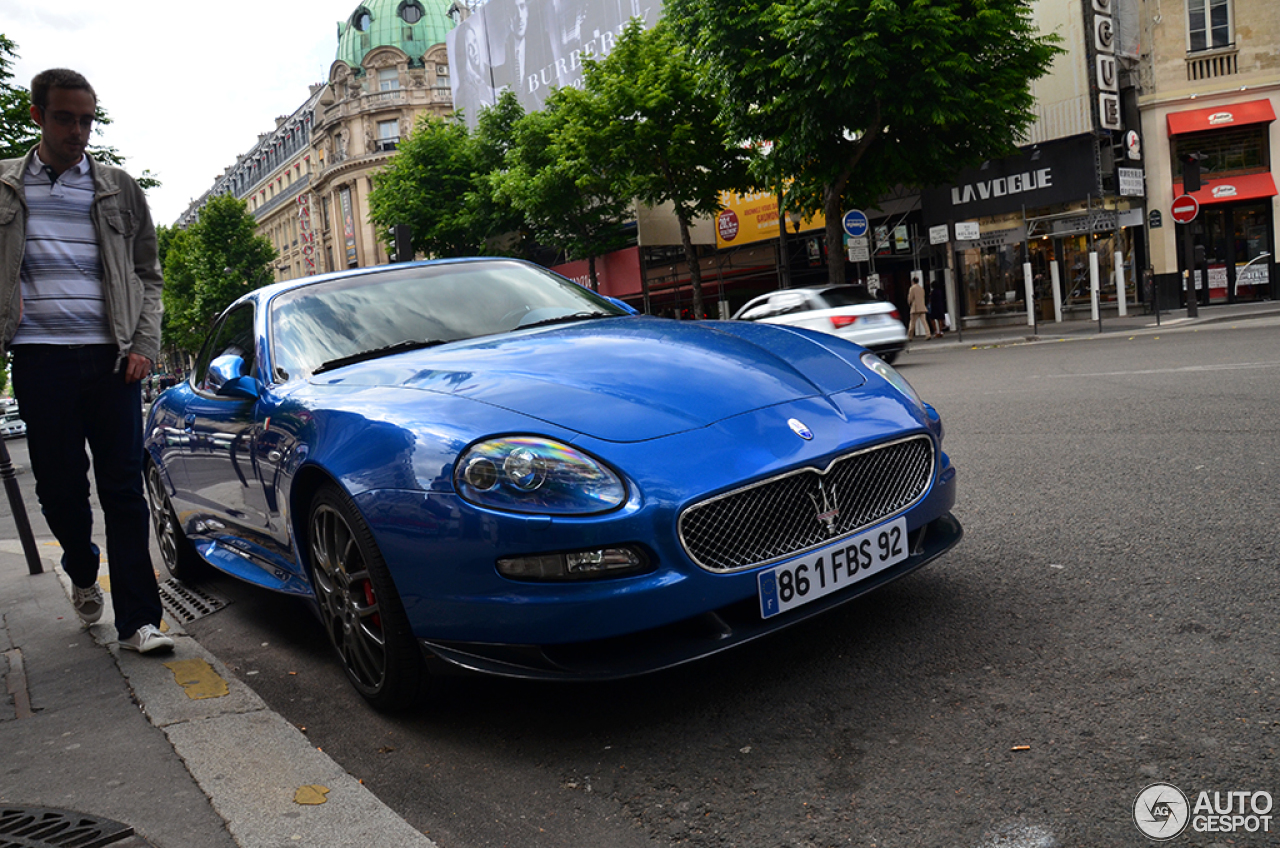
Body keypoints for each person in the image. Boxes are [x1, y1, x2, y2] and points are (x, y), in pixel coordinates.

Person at [0, 68, 173, 653]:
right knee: (60, 490)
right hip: (39, 359)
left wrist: (145, 345)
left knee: (124, 488)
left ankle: (140, 623)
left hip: (112, 360)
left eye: (87, 120)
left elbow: (149, 275)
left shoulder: (118, 188)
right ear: (37, 116)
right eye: (65, 118)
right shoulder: (5, 187)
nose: (79, 131)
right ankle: (80, 566)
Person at [907, 274, 929, 340]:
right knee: (924, 322)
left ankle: (910, 336)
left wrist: (909, 303)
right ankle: (928, 334)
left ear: (913, 281)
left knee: (912, 323)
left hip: (915, 308)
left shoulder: (912, 288)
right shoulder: (921, 288)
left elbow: (910, 298)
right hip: (922, 307)